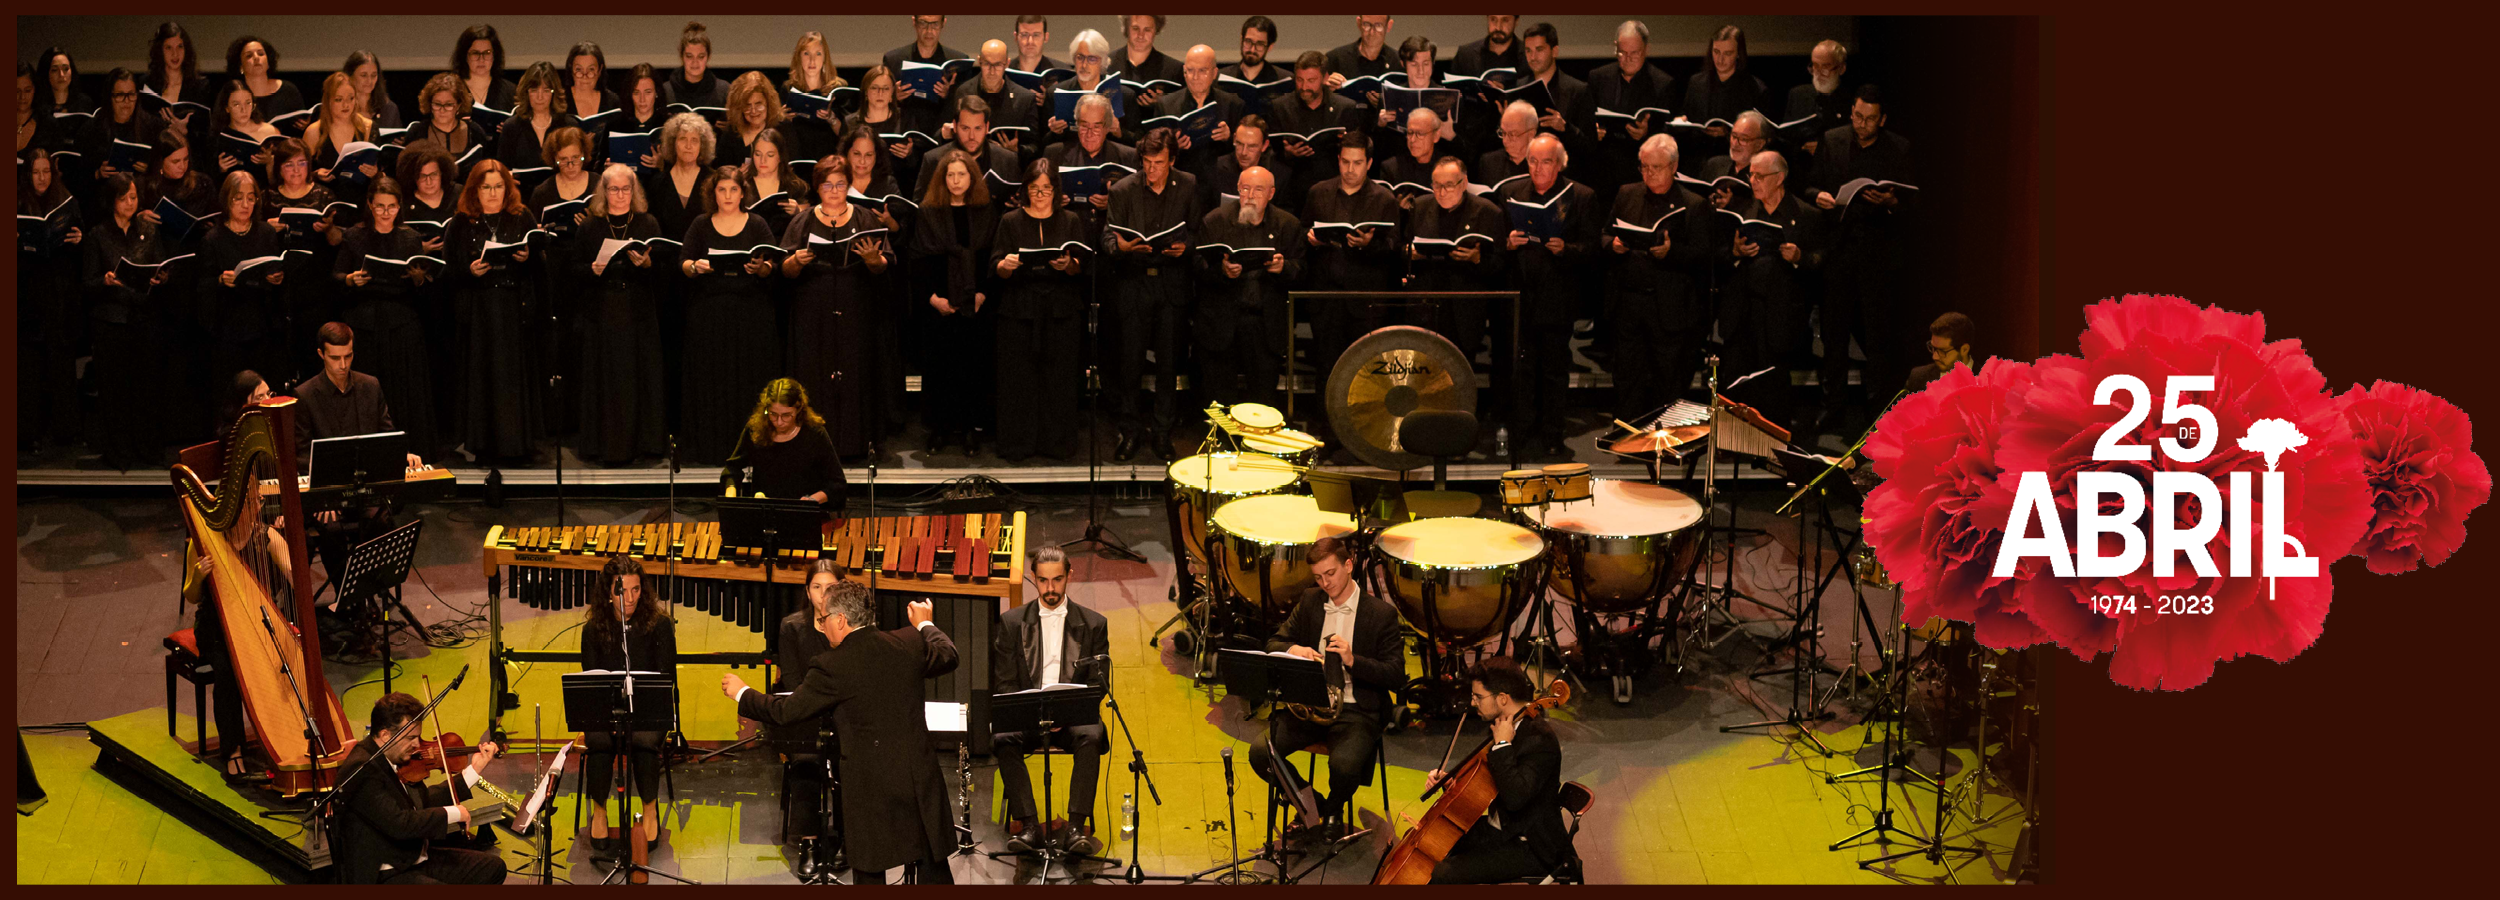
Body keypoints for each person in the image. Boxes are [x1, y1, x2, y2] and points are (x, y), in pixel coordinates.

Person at [722, 587, 961, 883]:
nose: (820, 626)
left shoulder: (831, 665)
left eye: (822, 620)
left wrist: (742, 694)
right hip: (917, 781)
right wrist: (924, 623)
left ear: (840, 620)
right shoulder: (909, 641)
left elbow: (785, 711)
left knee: (870, 874)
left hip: (870, 788)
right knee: (933, 874)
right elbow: (948, 654)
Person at [1246, 537, 1404, 838]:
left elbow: (1395, 675)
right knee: (1260, 752)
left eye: (1330, 574)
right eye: (1318, 577)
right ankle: (1310, 803)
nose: (1325, 583)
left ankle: (1332, 809)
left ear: (1348, 565)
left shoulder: (1381, 614)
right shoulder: (1310, 601)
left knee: (1344, 767)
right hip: (1311, 703)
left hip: (1356, 710)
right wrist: (1294, 649)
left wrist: (1352, 659)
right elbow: (1274, 643)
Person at [990, 546, 1111, 855]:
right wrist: (1038, 713)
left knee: (1092, 734)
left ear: (1069, 576)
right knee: (1003, 736)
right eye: (1043, 581)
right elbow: (1004, 684)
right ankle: (1029, 825)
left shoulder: (1094, 623)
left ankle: (1074, 828)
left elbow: (1097, 685)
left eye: (1057, 580)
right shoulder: (1012, 623)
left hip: (1071, 716)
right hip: (1030, 715)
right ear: (1034, 578)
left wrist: (1064, 713)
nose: (1051, 589)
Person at [1809, 85, 1916, 436]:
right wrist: (1821, 196)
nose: (1862, 124)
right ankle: (1832, 409)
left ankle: (1877, 412)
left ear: (1882, 120)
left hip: (1878, 258)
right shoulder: (1833, 140)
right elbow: (1809, 187)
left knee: (1877, 339)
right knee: (1834, 338)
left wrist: (1890, 202)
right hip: (1839, 252)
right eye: (1857, 116)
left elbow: (1913, 203)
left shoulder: (1898, 148)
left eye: (1870, 119)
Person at [1496, 133, 1599, 464]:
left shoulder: (1581, 196)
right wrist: (1508, 243)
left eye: (1547, 161)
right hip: (1521, 296)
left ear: (1560, 163)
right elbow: (1498, 242)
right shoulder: (1511, 192)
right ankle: (1523, 430)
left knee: (1554, 370)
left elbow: (1594, 249)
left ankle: (1553, 434)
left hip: (1557, 297)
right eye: (1533, 161)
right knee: (1521, 369)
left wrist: (1566, 249)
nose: (1538, 168)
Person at [780, 157, 892, 459]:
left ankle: (856, 444)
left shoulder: (866, 218)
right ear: (817, 187)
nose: (834, 190)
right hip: (812, 308)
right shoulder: (802, 221)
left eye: (840, 184)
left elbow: (884, 264)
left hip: (855, 304)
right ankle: (814, 445)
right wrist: (795, 262)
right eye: (827, 184)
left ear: (848, 185)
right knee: (814, 371)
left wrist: (873, 260)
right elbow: (786, 270)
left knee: (855, 370)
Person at [1424, 656, 1572, 884]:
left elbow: (1515, 797)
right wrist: (1451, 781)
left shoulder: (1540, 740)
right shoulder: (1504, 726)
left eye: (1478, 697)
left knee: (1444, 873)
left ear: (1502, 698)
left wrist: (1503, 746)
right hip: (1500, 830)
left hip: (1529, 844)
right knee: (1431, 844)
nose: (1473, 703)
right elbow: (1488, 782)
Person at [1101, 128, 1199, 462]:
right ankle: (1129, 431)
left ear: (1172, 161)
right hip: (1134, 282)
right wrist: (1122, 247)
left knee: (1169, 365)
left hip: (1171, 283)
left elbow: (1199, 233)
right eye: (1146, 162)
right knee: (1130, 363)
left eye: (1158, 163)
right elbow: (1108, 236)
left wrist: (1186, 248)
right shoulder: (1125, 189)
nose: (1151, 169)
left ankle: (1161, 432)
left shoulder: (1188, 185)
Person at [333, 692, 503, 883]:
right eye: (410, 738)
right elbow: (400, 824)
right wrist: (452, 813)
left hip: (415, 857)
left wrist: (474, 769)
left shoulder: (394, 758)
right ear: (385, 735)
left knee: (493, 868)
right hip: (387, 872)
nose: (416, 745)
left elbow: (423, 801)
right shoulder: (362, 768)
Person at [677, 164, 782, 463]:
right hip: (709, 316)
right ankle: (711, 447)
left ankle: (753, 446)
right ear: (713, 193)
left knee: (749, 379)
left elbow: (772, 264)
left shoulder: (757, 223)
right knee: (713, 381)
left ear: (742, 193)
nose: (727, 195)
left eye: (733, 189)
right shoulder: (701, 223)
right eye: (722, 189)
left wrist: (760, 268)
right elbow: (684, 262)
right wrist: (695, 267)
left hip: (751, 315)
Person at [444, 158, 545, 464]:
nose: (493, 193)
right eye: (486, 187)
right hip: (479, 310)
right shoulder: (461, 222)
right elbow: (448, 270)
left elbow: (540, 265)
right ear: (475, 189)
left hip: (513, 306)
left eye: (499, 186)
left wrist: (528, 257)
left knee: (511, 376)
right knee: (482, 374)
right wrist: (469, 270)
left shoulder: (520, 215)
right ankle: (481, 442)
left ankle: (516, 442)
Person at [333, 177, 442, 459]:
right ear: (369, 205)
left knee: (403, 392)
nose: (385, 213)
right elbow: (336, 276)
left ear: (399, 207)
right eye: (379, 206)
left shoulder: (409, 237)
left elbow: (423, 287)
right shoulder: (354, 236)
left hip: (400, 324)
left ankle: (410, 454)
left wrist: (419, 278)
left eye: (391, 207)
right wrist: (349, 280)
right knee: (368, 393)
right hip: (364, 322)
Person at [1605, 136, 1711, 422]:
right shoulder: (1627, 193)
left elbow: (1703, 255)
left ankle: (1666, 437)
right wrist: (1612, 245)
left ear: (1674, 166)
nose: (1649, 173)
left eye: (1657, 167)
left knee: (1668, 376)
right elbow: (1605, 233)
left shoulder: (1693, 204)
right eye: (1644, 167)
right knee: (1627, 374)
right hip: (1629, 301)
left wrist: (1671, 252)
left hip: (1669, 306)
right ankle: (1627, 435)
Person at [990, 157, 1089, 462]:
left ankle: (1056, 443)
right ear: (1025, 190)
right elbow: (996, 266)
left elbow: (1081, 267)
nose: (1040, 195)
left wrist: (1068, 264)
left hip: (1060, 309)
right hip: (1020, 309)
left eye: (1046, 189)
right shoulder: (1010, 221)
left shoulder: (1070, 220)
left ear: (1055, 190)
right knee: (1018, 380)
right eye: (1034, 188)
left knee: (1059, 380)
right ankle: (1018, 444)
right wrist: (1005, 265)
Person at [578, 553, 677, 855]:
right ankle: (599, 810)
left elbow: (666, 681)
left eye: (636, 590)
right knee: (598, 739)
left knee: (644, 739)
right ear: (608, 593)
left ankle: (649, 809)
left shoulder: (659, 625)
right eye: (622, 591)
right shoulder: (593, 630)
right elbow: (590, 685)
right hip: (607, 712)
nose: (630, 598)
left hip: (647, 712)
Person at [568, 163, 667, 466]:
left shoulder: (647, 223)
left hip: (636, 311)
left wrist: (648, 266)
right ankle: (602, 446)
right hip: (602, 311)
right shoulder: (590, 226)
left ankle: (641, 444)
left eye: (626, 189)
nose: (620, 195)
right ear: (604, 192)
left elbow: (664, 272)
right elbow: (572, 270)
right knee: (604, 378)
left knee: (637, 377)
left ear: (633, 191)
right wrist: (593, 269)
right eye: (614, 189)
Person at [907, 147, 998, 454]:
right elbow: (919, 260)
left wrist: (982, 292)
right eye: (950, 175)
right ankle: (939, 429)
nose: (956, 181)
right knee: (940, 367)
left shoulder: (986, 210)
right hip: (940, 303)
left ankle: (971, 430)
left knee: (973, 368)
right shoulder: (928, 211)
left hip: (976, 304)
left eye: (962, 174)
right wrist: (933, 299)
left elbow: (990, 256)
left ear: (972, 178)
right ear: (941, 178)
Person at [1302, 130, 1403, 409]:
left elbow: (1395, 248)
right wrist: (1311, 239)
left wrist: (1369, 244)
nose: (1349, 169)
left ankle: (1364, 431)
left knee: (1366, 370)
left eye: (1357, 163)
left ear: (1369, 163)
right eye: (1345, 161)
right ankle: (1328, 431)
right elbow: (1303, 232)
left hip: (1365, 300)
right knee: (1327, 367)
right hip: (1326, 297)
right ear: (1338, 159)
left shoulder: (1384, 199)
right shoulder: (1318, 192)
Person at [1723, 150, 1821, 435]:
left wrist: (1800, 257)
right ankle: (1735, 442)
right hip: (1742, 311)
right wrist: (1735, 252)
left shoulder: (1805, 215)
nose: (1752, 180)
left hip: (1780, 313)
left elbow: (1822, 260)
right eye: (1750, 174)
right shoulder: (1740, 212)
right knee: (1736, 378)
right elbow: (1718, 257)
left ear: (1780, 178)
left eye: (1759, 175)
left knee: (1774, 382)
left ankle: (1773, 444)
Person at [1192, 165, 1305, 409]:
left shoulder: (1288, 225)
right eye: (1245, 188)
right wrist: (1221, 272)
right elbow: (1196, 268)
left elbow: (1303, 270)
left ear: (1271, 193)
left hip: (1264, 326)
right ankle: (1222, 445)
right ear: (1237, 190)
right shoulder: (1215, 220)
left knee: (1263, 401)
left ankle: (1259, 445)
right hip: (1221, 323)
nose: (1250, 195)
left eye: (1258, 190)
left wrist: (1283, 268)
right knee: (1219, 402)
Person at [84, 173, 171, 470]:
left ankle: (146, 449)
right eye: (124, 198)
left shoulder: (147, 229)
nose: (131, 203)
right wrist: (105, 281)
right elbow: (87, 283)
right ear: (112, 201)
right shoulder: (98, 234)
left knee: (145, 389)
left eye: (134, 197)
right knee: (115, 391)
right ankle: (118, 452)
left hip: (144, 317)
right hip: (111, 322)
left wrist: (161, 277)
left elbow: (160, 263)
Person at [774, 559, 845, 876]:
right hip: (805, 713)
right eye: (816, 587)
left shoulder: (849, 625)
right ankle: (809, 842)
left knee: (853, 760)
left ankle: (847, 838)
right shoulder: (793, 628)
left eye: (830, 587)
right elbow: (791, 680)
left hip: (843, 713)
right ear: (807, 591)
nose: (822, 594)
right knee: (805, 759)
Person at [262, 137, 346, 382]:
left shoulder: (324, 195)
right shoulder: (267, 197)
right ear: (279, 168)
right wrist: (267, 229)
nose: (296, 170)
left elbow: (337, 241)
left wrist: (328, 228)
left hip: (316, 284)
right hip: (281, 285)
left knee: (313, 353)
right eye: (289, 165)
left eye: (302, 163)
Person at [17, 149, 85, 451]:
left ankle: (65, 432)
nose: (42, 178)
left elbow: (79, 252)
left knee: (61, 367)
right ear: (27, 175)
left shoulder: (67, 201)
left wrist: (78, 240)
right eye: (36, 172)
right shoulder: (17, 201)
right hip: (27, 297)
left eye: (46, 171)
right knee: (28, 369)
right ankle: (27, 433)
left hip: (59, 297)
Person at [720, 378, 848, 510]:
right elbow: (732, 468)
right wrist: (731, 493)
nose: (779, 422)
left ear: (798, 409)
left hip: (806, 514)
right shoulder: (755, 430)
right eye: (773, 414)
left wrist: (810, 501)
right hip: (765, 514)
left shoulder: (814, 434)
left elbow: (837, 484)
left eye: (786, 415)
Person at [1264, 52, 1358, 214]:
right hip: (1293, 191)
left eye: (1311, 80)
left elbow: (1355, 150)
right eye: (1299, 80)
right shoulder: (1280, 107)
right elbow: (1270, 151)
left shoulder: (1344, 108)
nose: (1304, 87)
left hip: (1333, 189)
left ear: (1324, 78)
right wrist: (1288, 152)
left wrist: (1344, 143)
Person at [1589, 21, 1676, 194]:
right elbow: (1586, 117)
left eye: (1634, 53)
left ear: (1646, 49)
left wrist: (1646, 133)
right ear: (1615, 48)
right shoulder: (1598, 77)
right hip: (1604, 170)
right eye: (1622, 53)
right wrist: (1594, 129)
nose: (1628, 59)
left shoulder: (1662, 83)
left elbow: (1668, 132)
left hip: (1639, 172)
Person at [1515, 23, 1597, 183]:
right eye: (1528, 51)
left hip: (1565, 178)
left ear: (1554, 51)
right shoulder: (1518, 87)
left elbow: (1590, 146)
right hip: (1525, 177)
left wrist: (1565, 128)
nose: (1532, 57)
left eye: (1539, 50)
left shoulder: (1577, 90)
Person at [1050, 93, 1138, 240]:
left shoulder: (1128, 157)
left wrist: (1113, 202)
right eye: (1084, 126)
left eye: (1096, 127)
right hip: (1068, 238)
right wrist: (1053, 200)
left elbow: (1138, 205)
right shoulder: (1055, 154)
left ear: (1107, 127)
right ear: (1076, 124)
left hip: (1110, 243)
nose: (1089, 134)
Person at [1677, 25, 1767, 167]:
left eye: (1728, 53)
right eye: (1716, 52)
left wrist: (1728, 132)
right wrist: (1682, 121)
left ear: (1738, 53)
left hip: (1734, 162)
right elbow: (1687, 114)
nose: (1720, 59)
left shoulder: (1754, 88)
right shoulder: (1697, 83)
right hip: (1698, 159)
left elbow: (1763, 136)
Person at [1153, 45, 1242, 185]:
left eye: (1202, 71)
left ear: (1214, 73)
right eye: (1190, 70)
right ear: (1184, 72)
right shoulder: (1166, 105)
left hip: (1220, 182)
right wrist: (1173, 147)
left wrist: (1230, 137)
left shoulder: (1233, 104)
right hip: (1180, 182)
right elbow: (1154, 151)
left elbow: (1246, 152)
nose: (1195, 77)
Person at [950, 40, 1038, 164]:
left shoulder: (1024, 98)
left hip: (1008, 169)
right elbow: (953, 134)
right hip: (970, 167)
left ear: (1007, 63)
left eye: (997, 65)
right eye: (987, 64)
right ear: (979, 61)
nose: (991, 71)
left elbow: (1034, 146)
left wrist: (1017, 150)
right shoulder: (963, 92)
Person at [914, 95, 1017, 198]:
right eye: (965, 128)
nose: (971, 136)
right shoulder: (933, 160)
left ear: (987, 127)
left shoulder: (1008, 160)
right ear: (954, 126)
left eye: (978, 128)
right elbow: (920, 207)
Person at [302, 72, 377, 210]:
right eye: (338, 99)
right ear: (328, 101)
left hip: (361, 204)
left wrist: (375, 172)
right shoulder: (314, 132)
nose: (346, 104)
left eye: (351, 98)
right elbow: (300, 175)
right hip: (324, 205)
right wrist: (316, 175)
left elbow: (380, 172)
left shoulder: (367, 127)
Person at [409, 74, 489, 185]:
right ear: (430, 104)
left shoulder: (474, 131)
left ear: (458, 106)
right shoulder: (417, 132)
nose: (442, 110)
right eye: (437, 104)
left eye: (448, 105)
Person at [1042, 30, 1116, 148]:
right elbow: (1041, 144)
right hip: (1066, 158)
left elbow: (1135, 142)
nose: (1084, 65)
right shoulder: (1055, 93)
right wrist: (1054, 132)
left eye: (1091, 59)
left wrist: (1119, 131)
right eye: (1080, 57)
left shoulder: (1118, 92)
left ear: (1102, 61)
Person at [885, 14, 968, 113]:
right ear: (914, 22)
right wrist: (893, 96)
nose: (929, 30)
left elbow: (965, 107)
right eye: (923, 23)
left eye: (935, 24)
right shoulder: (893, 60)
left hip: (941, 124)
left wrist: (949, 95)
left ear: (943, 23)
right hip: (904, 125)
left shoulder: (957, 61)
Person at [145, 24, 212, 144]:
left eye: (180, 47)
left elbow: (207, 133)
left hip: (189, 155)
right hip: (155, 154)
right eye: (168, 48)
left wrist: (186, 131)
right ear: (160, 50)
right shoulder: (147, 84)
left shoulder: (201, 86)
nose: (175, 54)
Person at [1784, 40, 1852, 160]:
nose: (1818, 73)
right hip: (1800, 166)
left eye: (1825, 67)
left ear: (1841, 69)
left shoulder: (1851, 100)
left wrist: (1824, 149)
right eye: (1815, 66)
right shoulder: (1797, 95)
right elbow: (1786, 136)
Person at [1111, 15, 1184, 124]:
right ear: (1126, 29)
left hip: (1155, 137)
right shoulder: (1108, 63)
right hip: (1115, 135)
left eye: (1147, 29)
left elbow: (1183, 111)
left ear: (1156, 30)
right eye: (1135, 28)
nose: (1141, 35)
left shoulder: (1174, 69)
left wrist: (1162, 103)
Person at [1201, 114, 1279, 212]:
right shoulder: (1215, 169)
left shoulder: (1278, 174)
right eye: (1240, 144)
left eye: (1251, 146)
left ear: (1264, 145)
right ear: (1234, 139)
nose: (1243, 152)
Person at [714, 71, 787, 173]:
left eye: (758, 104)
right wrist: (737, 176)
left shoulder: (783, 130)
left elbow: (790, 170)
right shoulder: (731, 133)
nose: (753, 111)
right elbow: (720, 172)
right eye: (747, 105)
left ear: (768, 104)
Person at [212, 78, 281, 179]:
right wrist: (221, 169)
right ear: (226, 108)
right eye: (236, 104)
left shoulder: (270, 132)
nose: (243, 109)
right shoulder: (218, 135)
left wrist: (270, 162)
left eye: (248, 103)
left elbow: (282, 176)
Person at [1324, 15, 1397, 110]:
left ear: (1389, 26)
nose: (1371, 32)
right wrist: (1327, 87)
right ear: (1359, 23)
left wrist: (1386, 102)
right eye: (1366, 25)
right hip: (1346, 123)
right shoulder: (1335, 58)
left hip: (1384, 124)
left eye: (1378, 26)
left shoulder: (1398, 61)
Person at [226, 36, 303, 124]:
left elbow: (301, 122)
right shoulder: (233, 94)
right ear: (240, 66)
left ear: (268, 62)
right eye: (249, 56)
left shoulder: (288, 90)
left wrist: (304, 123)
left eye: (261, 54)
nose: (256, 58)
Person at [450, 24, 516, 119]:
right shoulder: (451, 90)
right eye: (475, 53)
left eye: (487, 53)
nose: (481, 59)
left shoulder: (510, 91)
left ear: (495, 55)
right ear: (465, 56)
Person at [663, 21, 729, 114]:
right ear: (682, 56)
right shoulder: (666, 91)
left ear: (708, 57)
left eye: (701, 56)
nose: (695, 62)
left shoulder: (723, 90)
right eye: (689, 56)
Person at [1902, 311, 1975, 395]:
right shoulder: (1918, 378)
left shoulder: (1988, 382)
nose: (1935, 357)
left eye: (1943, 351)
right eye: (1933, 348)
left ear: (1964, 349)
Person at [1474, 101, 1537, 192]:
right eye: (1503, 133)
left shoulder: (1541, 165)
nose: (1505, 140)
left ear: (1531, 134)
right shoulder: (1488, 162)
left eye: (1512, 134)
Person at [1010, 15, 1070, 90]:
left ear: (1046, 37)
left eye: (1036, 35)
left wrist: (1049, 99)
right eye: (1024, 35)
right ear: (1016, 37)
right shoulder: (1003, 72)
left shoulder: (1063, 73)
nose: (1030, 41)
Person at [1220, 17, 1284, 86]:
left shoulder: (1283, 81)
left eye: (1260, 44)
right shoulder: (1221, 79)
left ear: (1270, 47)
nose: (1252, 49)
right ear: (1241, 40)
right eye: (1248, 41)